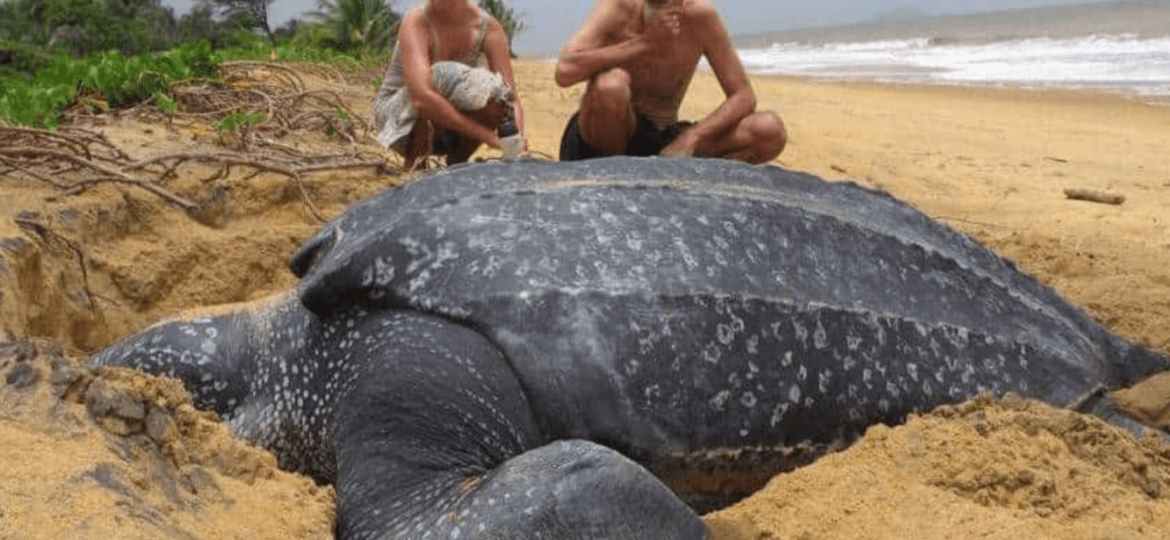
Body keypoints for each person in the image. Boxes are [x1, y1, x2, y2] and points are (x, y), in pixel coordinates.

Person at [555, 0, 786, 163]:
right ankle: (615, 173)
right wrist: (645, 43)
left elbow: (743, 96)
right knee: (611, 86)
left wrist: (692, 138)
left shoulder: (699, 16)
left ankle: (667, 172)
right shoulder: (618, 7)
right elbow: (564, 71)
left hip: (661, 144)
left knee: (768, 130)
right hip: (601, 138)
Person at [373, 0, 526, 170]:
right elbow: (421, 99)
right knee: (441, 75)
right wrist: (485, 136)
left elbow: (511, 97)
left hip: (446, 129)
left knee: (497, 97)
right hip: (396, 124)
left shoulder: (488, 28)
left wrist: (519, 137)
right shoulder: (416, 22)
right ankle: (415, 163)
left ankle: (457, 161)